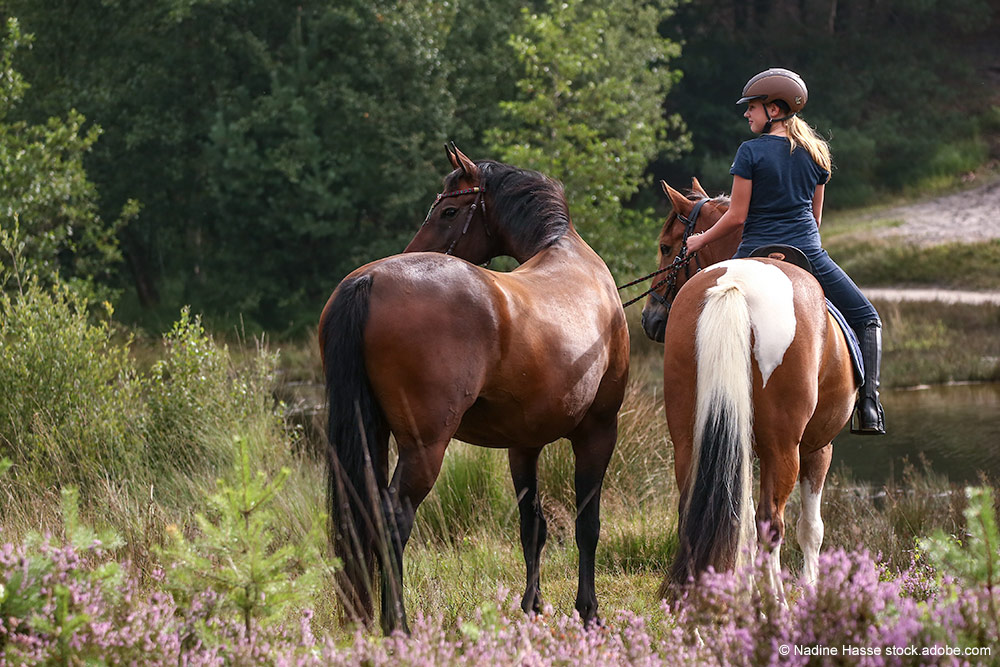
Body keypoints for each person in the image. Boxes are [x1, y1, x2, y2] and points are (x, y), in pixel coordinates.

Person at [685, 67, 885, 435]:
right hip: (808, 255)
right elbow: (816, 217)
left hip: (752, 252)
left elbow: (736, 216)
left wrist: (701, 240)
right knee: (867, 318)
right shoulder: (817, 153)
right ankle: (869, 407)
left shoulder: (750, 152)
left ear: (774, 110)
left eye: (752, 107)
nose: (747, 113)